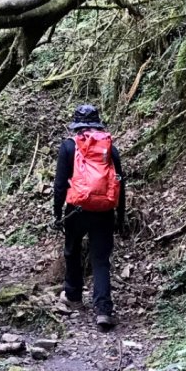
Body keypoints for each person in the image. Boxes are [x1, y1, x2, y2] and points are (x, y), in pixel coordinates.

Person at [52, 104, 126, 329]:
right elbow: (120, 182)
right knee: (101, 260)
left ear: (77, 125)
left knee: (72, 251)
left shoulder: (69, 146)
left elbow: (59, 185)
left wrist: (58, 214)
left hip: (77, 209)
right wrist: (120, 216)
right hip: (104, 211)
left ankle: (73, 294)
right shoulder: (109, 149)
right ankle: (103, 310)